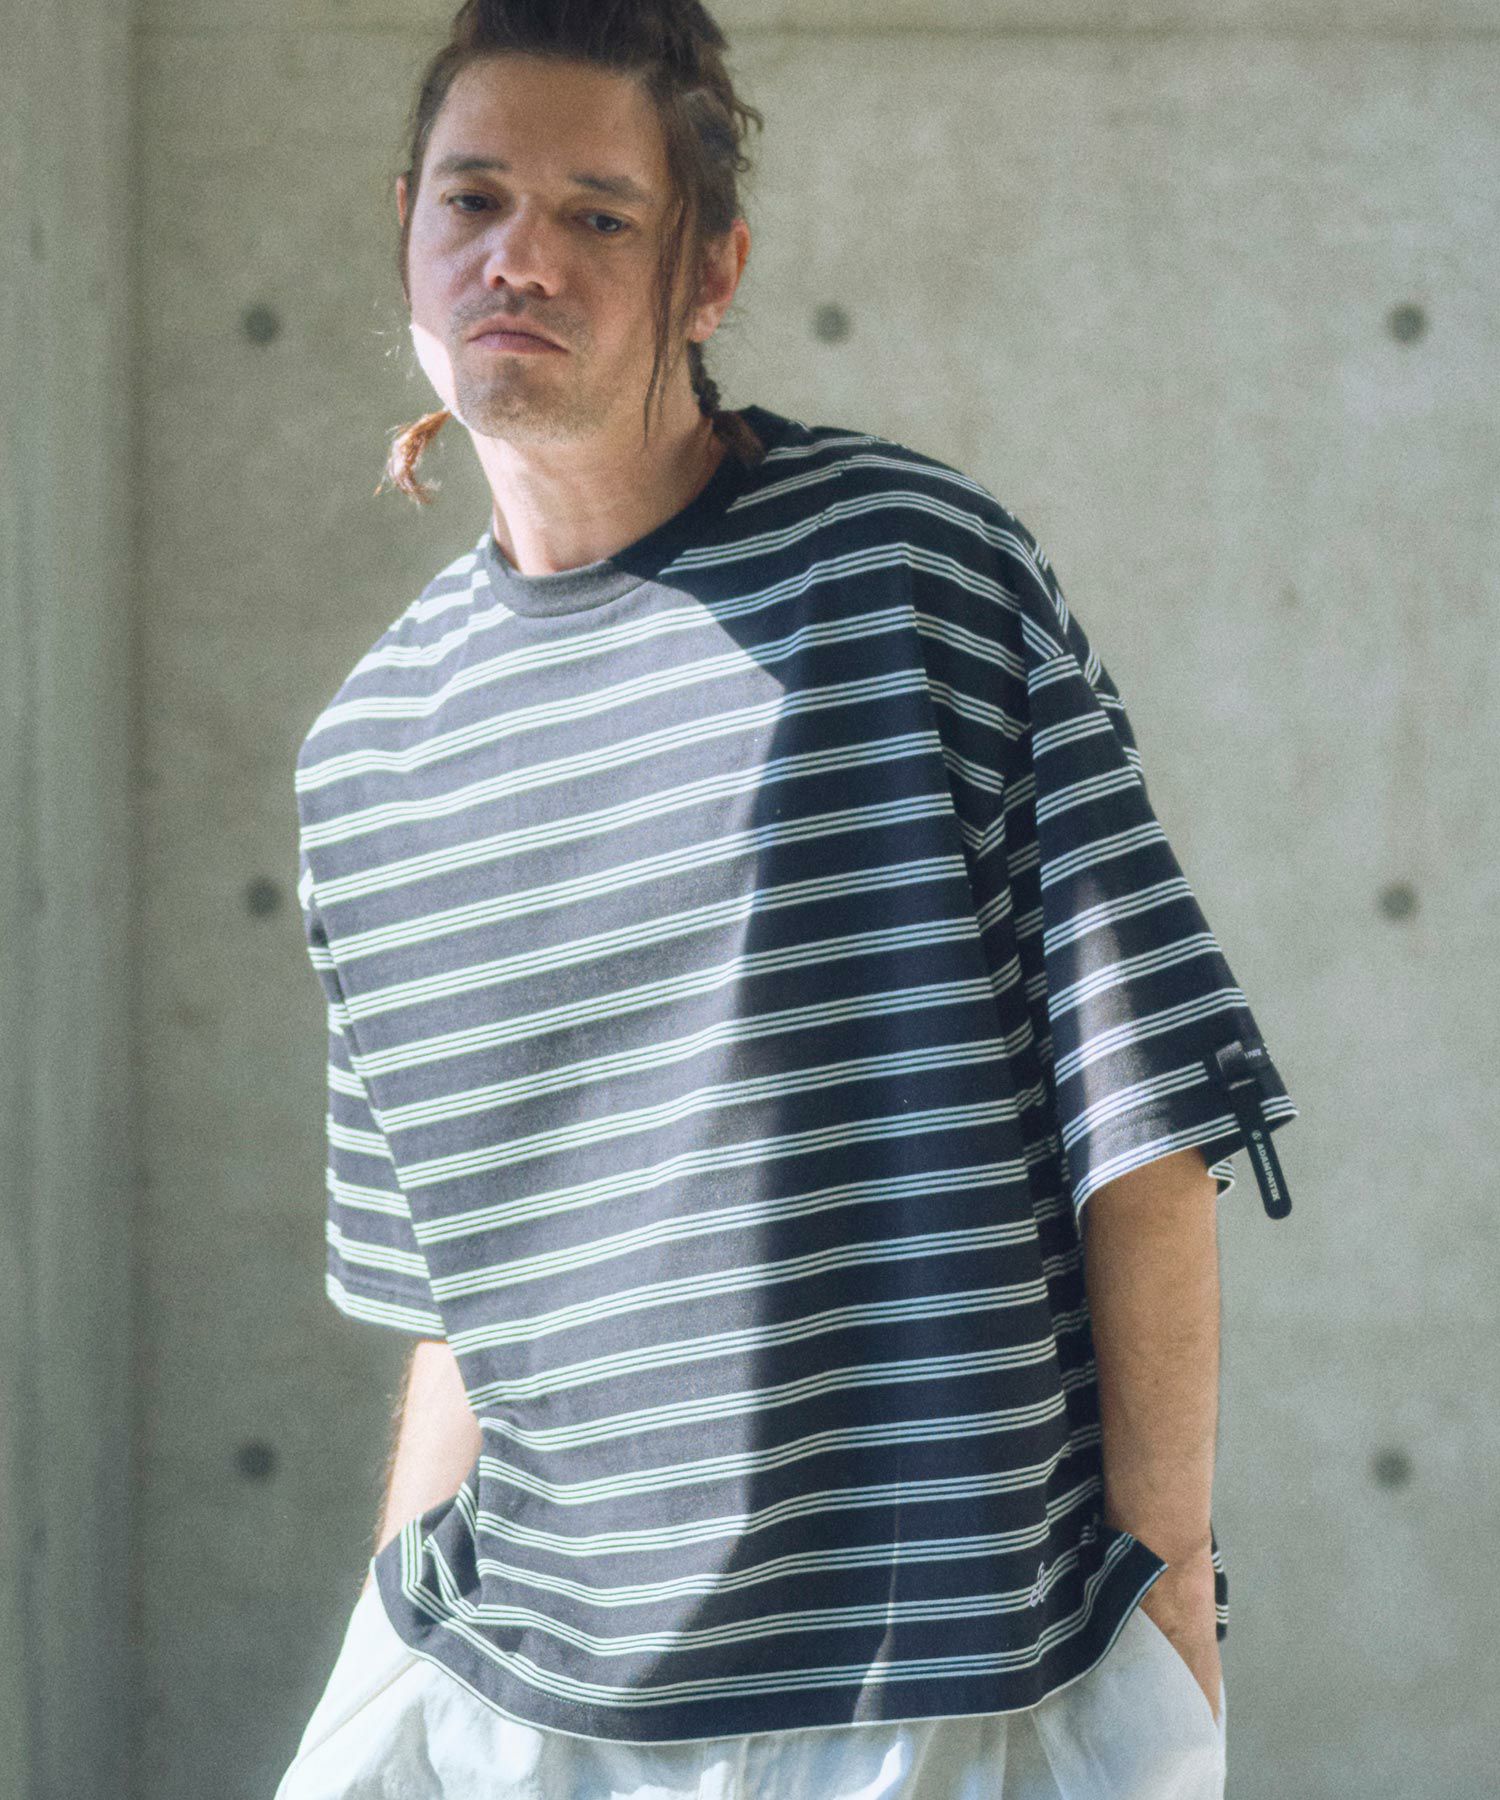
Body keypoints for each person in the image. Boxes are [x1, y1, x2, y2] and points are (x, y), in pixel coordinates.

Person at [274, 2, 1299, 1795]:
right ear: (411, 237)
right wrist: (393, 1674)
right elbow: (460, 1303)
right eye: (474, 200)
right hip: (522, 1702)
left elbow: (1139, 1125)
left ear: (711, 273)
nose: (521, 256)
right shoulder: (372, 753)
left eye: (599, 214)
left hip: (934, 1690)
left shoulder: (907, 577)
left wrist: (1172, 1601)